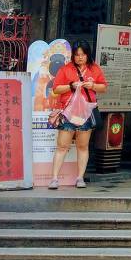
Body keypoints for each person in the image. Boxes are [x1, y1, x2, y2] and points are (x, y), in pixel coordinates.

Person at [48, 41, 107, 189]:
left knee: (83, 146)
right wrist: (70, 86)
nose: (80, 57)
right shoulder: (65, 69)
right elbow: (56, 89)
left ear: (88, 55)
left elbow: (103, 87)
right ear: (73, 56)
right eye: (77, 55)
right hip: (68, 112)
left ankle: (80, 178)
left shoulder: (94, 69)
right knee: (62, 146)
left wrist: (93, 86)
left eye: (83, 54)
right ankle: (54, 179)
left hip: (85, 113)